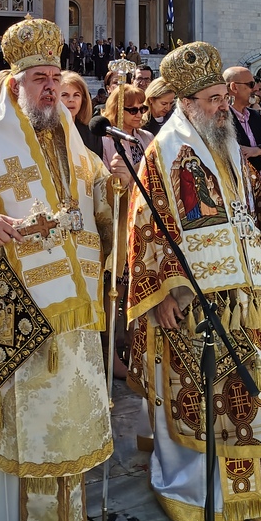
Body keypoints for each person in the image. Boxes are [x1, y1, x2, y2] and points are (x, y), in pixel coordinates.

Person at [0, 17, 126, 521]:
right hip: (11, 310)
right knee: (13, 431)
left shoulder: (78, 148)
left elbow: (100, 216)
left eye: (56, 76)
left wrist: (115, 190)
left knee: (65, 432)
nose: (51, 86)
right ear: (15, 85)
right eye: (39, 77)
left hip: (70, 319)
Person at [127, 41, 261, 521]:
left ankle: (251, 489)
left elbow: (254, 200)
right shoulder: (164, 150)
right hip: (192, 301)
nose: (225, 106)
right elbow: (145, 226)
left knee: (248, 396)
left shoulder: (228, 142)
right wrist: (161, 294)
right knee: (202, 400)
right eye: (215, 99)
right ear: (188, 102)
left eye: (224, 96)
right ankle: (197, 491)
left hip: (247, 301)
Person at [101, 84, 153, 380]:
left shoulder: (147, 138)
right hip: (119, 220)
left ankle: (136, 346)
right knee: (116, 288)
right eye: (131, 109)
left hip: (145, 220)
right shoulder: (107, 139)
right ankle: (111, 351)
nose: (138, 114)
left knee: (139, 284)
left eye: (142, 109)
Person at [224, 65, 261, 177]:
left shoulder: (255, 116)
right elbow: (238, 155)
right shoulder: (222, 119)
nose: (255, 89)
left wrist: (259, 150)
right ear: (234, 87)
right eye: (251, 84)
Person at [60, 69, 103, 157]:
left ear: (83, 100)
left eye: (76, 95)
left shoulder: (92, 134)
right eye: (64, 95)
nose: (71, 100)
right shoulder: (45, 133)